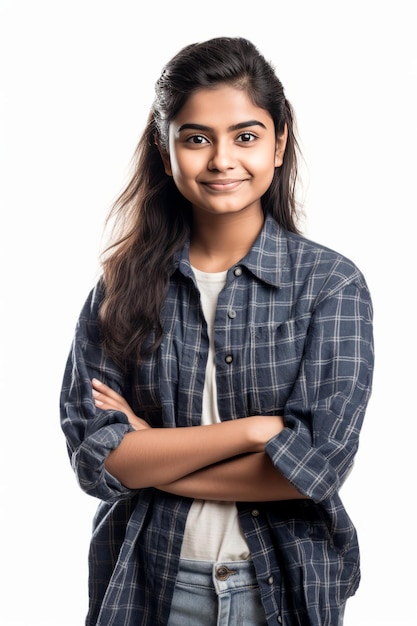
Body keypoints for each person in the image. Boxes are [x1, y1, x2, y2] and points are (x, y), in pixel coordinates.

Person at [60, 36, 374, 626]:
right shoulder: (121, 285)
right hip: (149, 585)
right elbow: (97, 459)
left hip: (280, 587)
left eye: (246, 136)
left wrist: (155, 454)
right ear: (164, 147)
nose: (222, 159)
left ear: (279, 144)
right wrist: (254, 431)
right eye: (196, 138)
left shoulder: (330, 286)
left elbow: (315, 469)